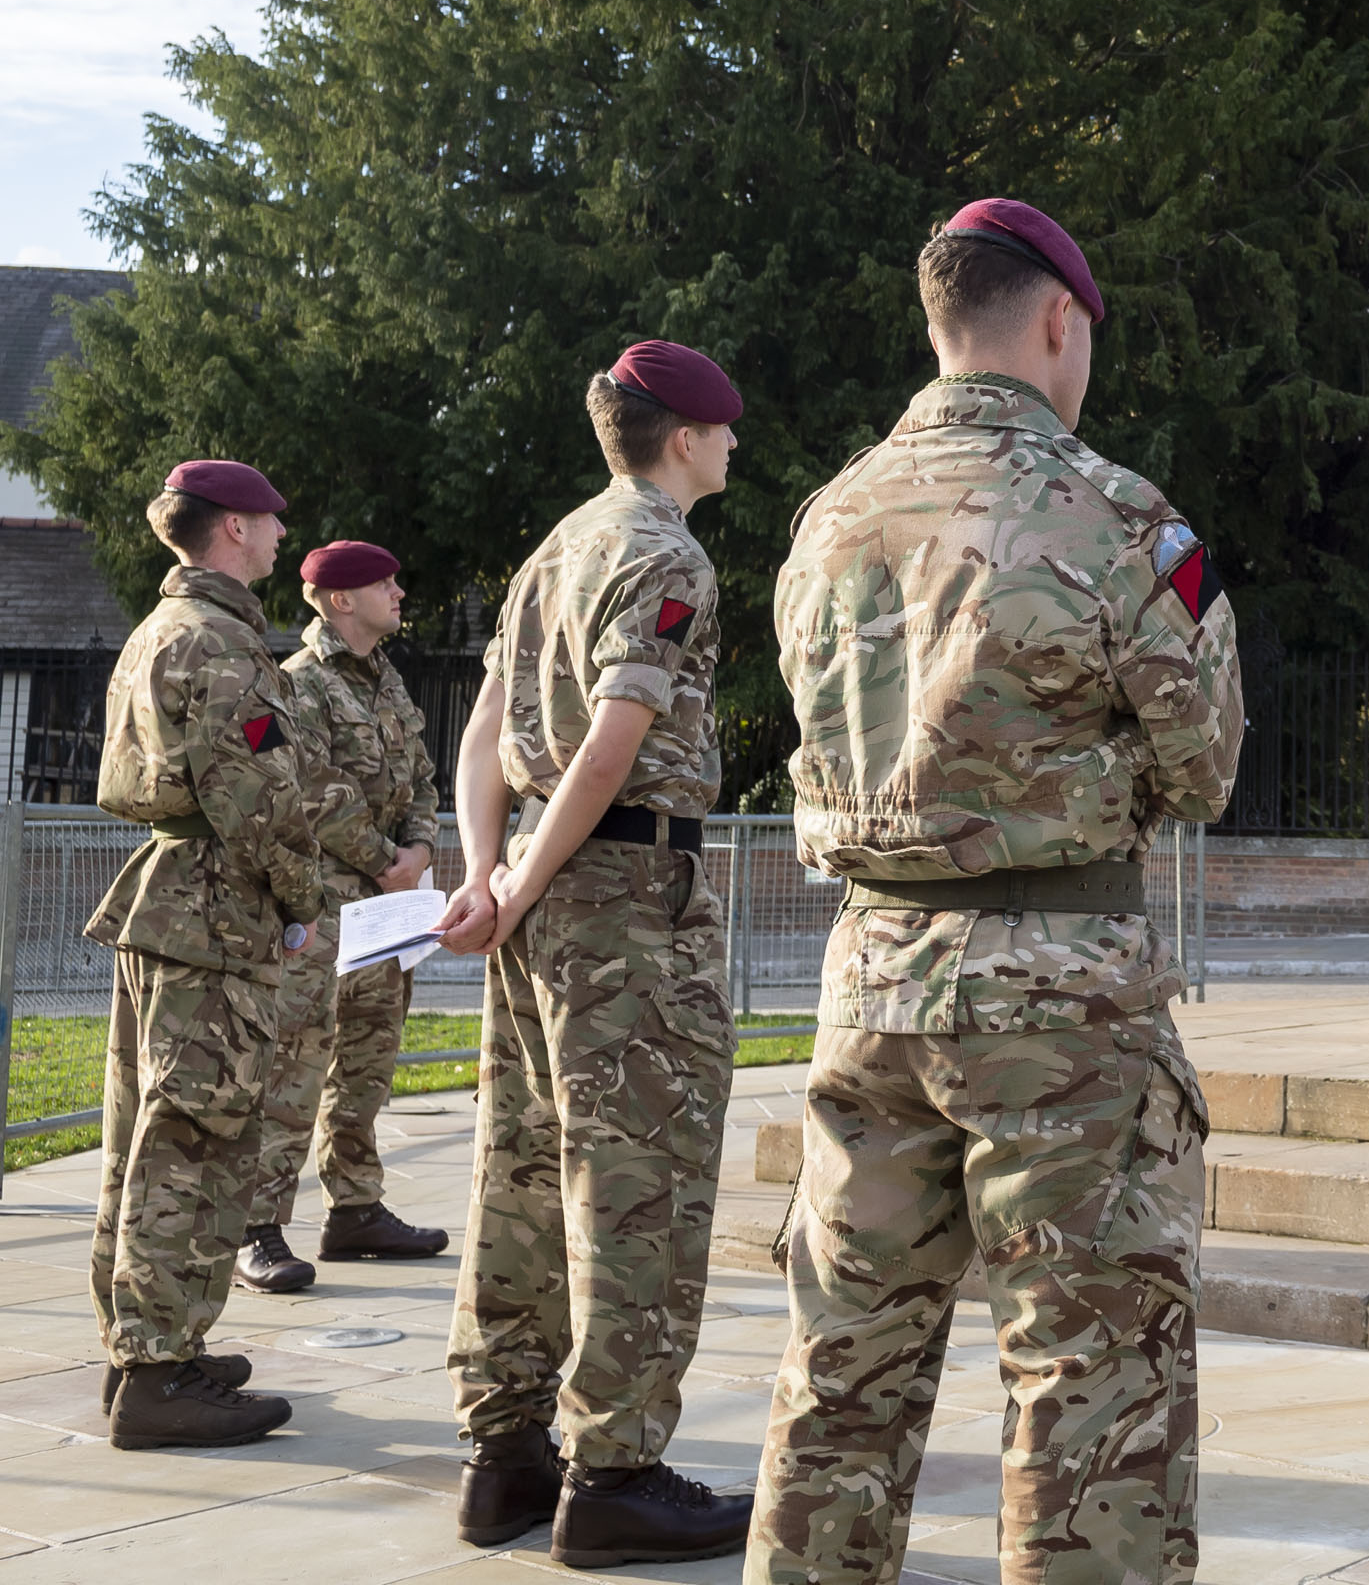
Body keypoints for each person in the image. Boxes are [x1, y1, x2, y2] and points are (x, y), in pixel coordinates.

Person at [750, 198, 1244, 1585]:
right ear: (1059, 322)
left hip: (871, 983)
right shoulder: (1117, 516)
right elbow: (1206, 763)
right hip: (1060, 1000)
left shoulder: (828, 517)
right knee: (1093, 1392)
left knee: (842, 1373)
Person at [434, 341, 750, 1567]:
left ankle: (504, 1454)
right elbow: (614, 744)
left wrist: (489, 874)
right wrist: (520, 877)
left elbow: (482, 734)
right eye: (724, 431)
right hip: (624, 899)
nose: (734, 447)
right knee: (638, 1181)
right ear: (686, 439)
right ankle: (616, 1472)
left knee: (520, 1170)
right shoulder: (666, 554)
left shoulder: (555, 550)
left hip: (536, 887)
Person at [83, 458, 328, 1450]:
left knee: (144, 1140)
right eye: (270, 521)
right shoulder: (221, 641)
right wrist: (303, 900)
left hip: (170, 901)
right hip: (217, 912)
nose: (280, 536)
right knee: (194, 1143)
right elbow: (257, 797)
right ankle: (158, 1372)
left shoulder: (161, 627)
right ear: (232, 527)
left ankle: (144, 1349)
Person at [236, 539, 451, 1296]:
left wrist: (418, 849)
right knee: (296, 1063)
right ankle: (257, 1227)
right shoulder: (300, 682)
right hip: (324, 904)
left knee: (367, 1059)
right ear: (341, 600)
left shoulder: (387, 680)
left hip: (388, 907)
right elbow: (310, 787)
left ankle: (355, 1209)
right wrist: (386, 856)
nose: (399, 594)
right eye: (385, 584)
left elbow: (422, 777)